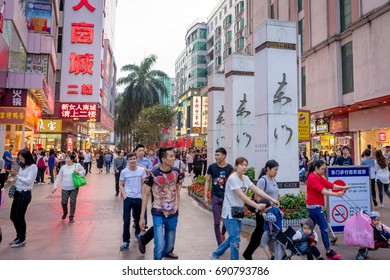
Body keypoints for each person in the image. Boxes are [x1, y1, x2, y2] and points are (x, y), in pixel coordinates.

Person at [210, 157, 279, 260]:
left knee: (233, 237)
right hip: (229, 212)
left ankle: (215, 254)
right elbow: (242, 196)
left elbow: (257, 190)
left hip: (238, 212)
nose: (244, 167)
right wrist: (257, 206)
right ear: (236, 166)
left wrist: (272, 199)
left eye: (246, 165)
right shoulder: (233, 178)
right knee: (236, 240)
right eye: (241, 165)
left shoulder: (245, 178)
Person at [139, 146, 184, 260]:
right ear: (163, 159)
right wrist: (142, 217)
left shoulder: (176, 172)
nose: (174, 158)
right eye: (172, 156)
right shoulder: (154, 173)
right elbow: (145, 194)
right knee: (159, 246)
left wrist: (178, 207)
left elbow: (177, 189)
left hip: (173, 213)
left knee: (168, 247)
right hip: (158, 212)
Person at [306, 160, 349, 259]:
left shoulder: (318, 176)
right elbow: (322, 190)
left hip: (315, 206)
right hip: (315, 206)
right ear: (316, 168)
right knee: (324, 228)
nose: (323, 171)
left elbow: (330, 185)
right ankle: (328, 251)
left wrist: (343, 187)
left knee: (309, 227)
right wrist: (337, 194)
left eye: (324, 169)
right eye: (322, 169)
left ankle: (303, 244)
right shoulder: (312, 177)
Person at [243, 160, 280, 260]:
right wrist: (269, 203)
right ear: (267, 169)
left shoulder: (273, 180)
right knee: (259, 234)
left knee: (263, 234)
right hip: (263, 213)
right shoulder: (263, 180)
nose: (276, 172)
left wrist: (276, 201)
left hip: (272, 213)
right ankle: (248, 253)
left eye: (277, 170)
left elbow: (275, 194)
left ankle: (269, 255)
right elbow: (257, 197)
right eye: (275, 170)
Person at [204, 147, 234, 246]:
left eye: (218, 155)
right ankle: (220, 244)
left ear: (224, 156)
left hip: (227, 198)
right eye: (215, 155)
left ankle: (222, 233)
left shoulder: (230, 168)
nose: (216, 157)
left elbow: (233, 183)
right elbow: (207, 181)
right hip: (215, 197)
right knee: (217, 222)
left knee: (226, 220)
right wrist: (206, 196)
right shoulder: (212, 167)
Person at [8, 149, 37, 248]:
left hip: (25, 194)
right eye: (19, 159)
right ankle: (18, 236)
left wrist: (17, 176)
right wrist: (14, 175)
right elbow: (19, 178)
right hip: (18, 192)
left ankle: (22, 239)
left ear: (27, 157)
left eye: (21, 158)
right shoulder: (23, 166)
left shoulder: (33, 167)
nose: (20, 161)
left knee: (20, 217)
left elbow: (28, 181)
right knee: (13, 216)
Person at [119, 152, 147, 251]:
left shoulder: (141, 171)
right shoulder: (124, 172)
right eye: (130, 159)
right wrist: (124, 195)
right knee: (126, 221)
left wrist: (142, 195)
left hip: (138, 198)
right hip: (128, 198)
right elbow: (121, 184)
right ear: (127, 161)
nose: (132, 161)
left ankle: (137, 233)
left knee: (138, 218)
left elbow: (144, 183)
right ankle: (126, 241)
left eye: (134, 159)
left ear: (136, 159)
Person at [52, 153, 86, 223]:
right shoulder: (63, 167)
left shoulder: (77, 165)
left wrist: (78, 172)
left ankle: (71, 216)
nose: (66, 159)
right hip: (65, 188)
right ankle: (65, 212)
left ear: (72, 159)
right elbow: (59, 177)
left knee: (72, 202)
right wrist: (55, 187)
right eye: (66, 158)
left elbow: (84, 172)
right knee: (63, 202)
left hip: (74, 187)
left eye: (68, 158)